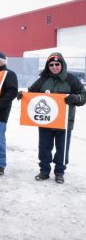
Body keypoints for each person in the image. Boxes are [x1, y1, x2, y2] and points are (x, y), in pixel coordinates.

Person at [17, 53, 86, 184]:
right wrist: (23, 95)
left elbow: (83, 94)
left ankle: (59, 172)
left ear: (62, 64)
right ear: (48, 66)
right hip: (45, 121)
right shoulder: (43, 79)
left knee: (62, 149)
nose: (54, 67)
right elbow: (31, 92)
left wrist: (76, 98)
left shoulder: (71, 79)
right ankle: (44, 171)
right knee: (44, 147)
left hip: (64, 122)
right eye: (51, 65)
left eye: (57, 64)